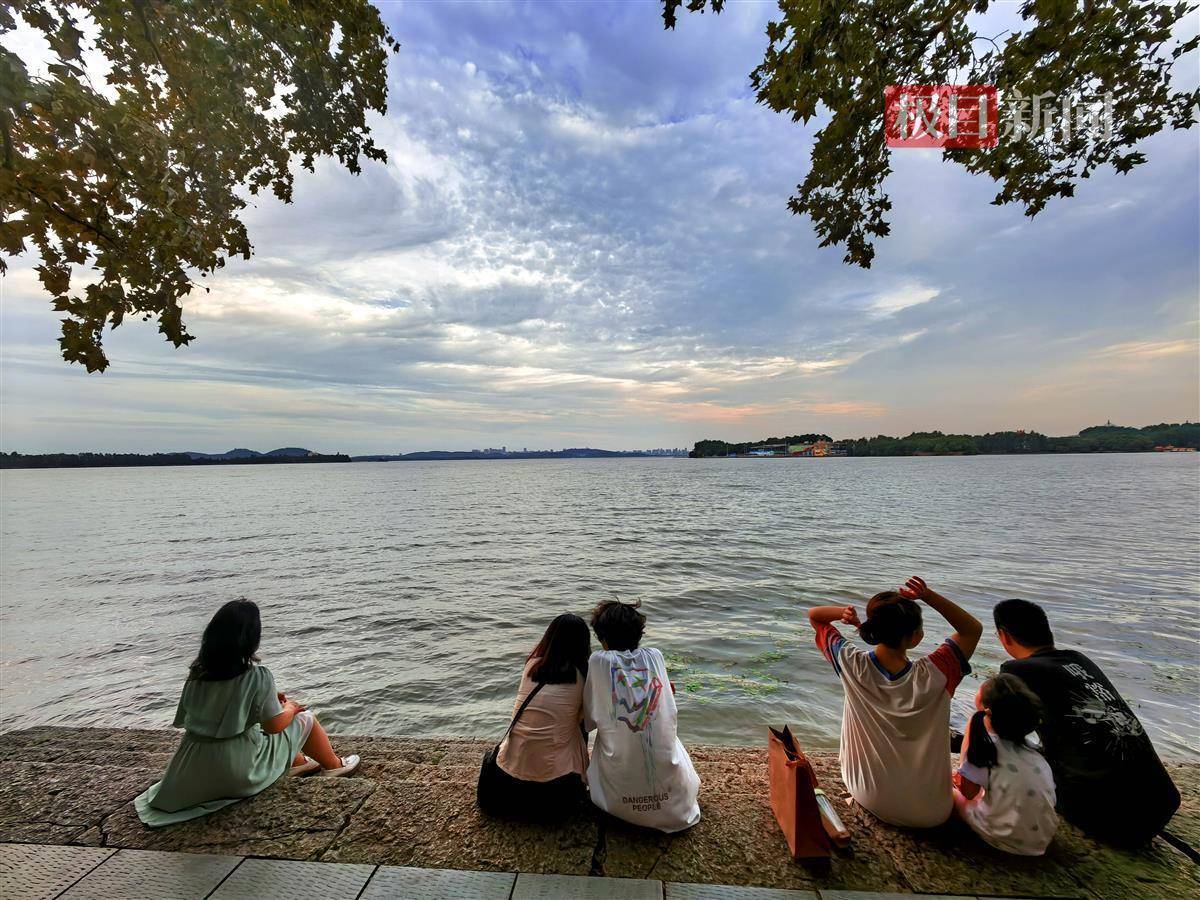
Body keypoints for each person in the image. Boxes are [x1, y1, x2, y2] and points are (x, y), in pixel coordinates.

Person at [135, 600, 359, 827]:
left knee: (259, 724)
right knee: (304, 718)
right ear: (251, 639)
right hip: (237, 772)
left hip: (191, 771)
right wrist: (290, 708)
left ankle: (297, 763)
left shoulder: (196, 675)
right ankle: (334, 766)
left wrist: (266, 700)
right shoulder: (257, 675)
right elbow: (274, 726)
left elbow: (187, 718)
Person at [993, 598, 1180, 845]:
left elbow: (1006, 732)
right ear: (1046, 631)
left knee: (1003, 747)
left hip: (1107, 816)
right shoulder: (1077, 660)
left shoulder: (1017, 670)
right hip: (1161, 802)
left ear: (1004, 636)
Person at [808, 576, 981, 828]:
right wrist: (927, 596)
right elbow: (972, 629)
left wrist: (841, 613)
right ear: (915, 637)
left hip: (868, 796)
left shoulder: (852, 664)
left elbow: (815, 616)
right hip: (933, 812)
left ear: (873, 630)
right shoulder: (938, 673)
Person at [582, 599, 701, 832]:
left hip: (617, 803)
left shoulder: (598, 661)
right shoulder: (655, 656)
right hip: (677, 810)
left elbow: (589, 720)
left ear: (603, 638)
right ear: (639, 634)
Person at [491, 613, 591, 818]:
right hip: (555, 783)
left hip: (509, 770)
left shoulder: (531, 665)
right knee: (575, 728)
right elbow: (588, 721)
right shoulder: (583, 675)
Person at [953, 673, 1058, 855]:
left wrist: (970, 735)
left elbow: (968, 793)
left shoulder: (985, 749)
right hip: (1041, 840)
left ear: (985, 711)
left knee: (952, 794)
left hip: (1003, 836)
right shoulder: (1035, 755)